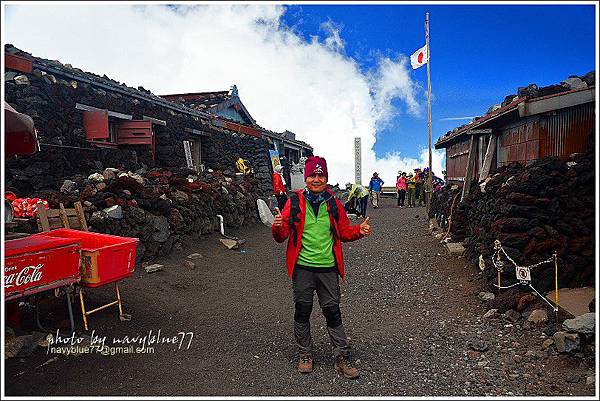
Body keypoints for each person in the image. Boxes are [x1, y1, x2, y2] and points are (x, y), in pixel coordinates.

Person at [272, 156, 372, 379]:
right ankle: (305, 354)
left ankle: (341, 357)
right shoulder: (295, 202)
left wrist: (359, 231)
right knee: (302, 310)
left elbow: (344, 232)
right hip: (303, 269)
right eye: (312, 175)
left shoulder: (333, 203)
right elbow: (282, 235)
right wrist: (277, 227)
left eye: (321, 175)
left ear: (326, 178)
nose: (316, 179)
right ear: (306, 178)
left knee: (333, 312)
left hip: (328, 268)